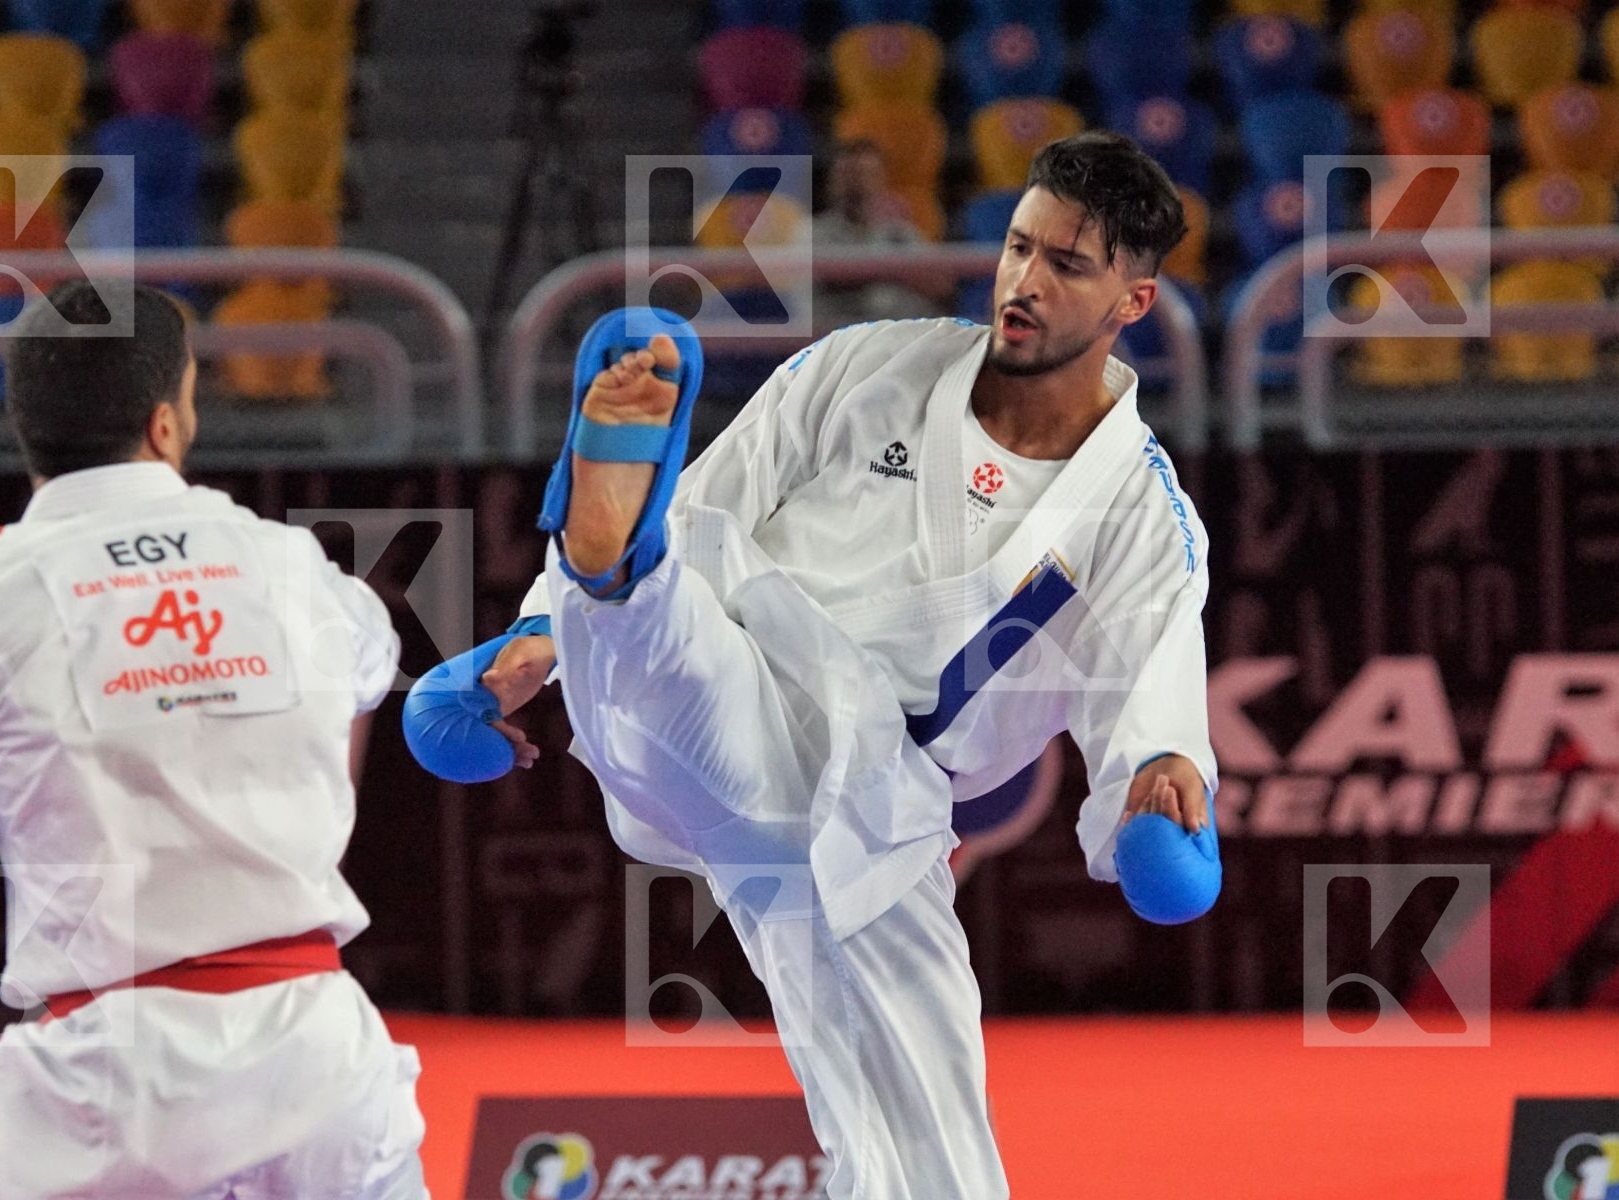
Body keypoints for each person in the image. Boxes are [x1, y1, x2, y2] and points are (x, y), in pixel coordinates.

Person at [480, 132, 1220, 1198]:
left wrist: (1160, 778)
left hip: (879, 797)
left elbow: (1153, 688)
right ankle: (603, 561)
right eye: (1019, 246)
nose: (1024, 280)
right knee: (671, 611)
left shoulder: (1137, 513)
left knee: (936, 1156)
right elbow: (708, 505)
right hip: (739, 665)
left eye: (1067, 264)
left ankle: (608, 578)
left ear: (1131, 302)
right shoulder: (872, 363)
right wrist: (529, 648)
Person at [0, 282, 426, 1199]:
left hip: (115, 1082)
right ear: (166, 421)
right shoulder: (298, 567)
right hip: (327, 1067)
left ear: (26, 429)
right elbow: (373, 668)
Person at [810, 138, 942, 325]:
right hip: (840, 337)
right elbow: (831, 279)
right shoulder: (815, 231)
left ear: (881, 179)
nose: (857, 184)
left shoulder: (900, 231)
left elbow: (938, 284)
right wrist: (895, 272)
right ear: (832, 182)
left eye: (865, 174)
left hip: (899, 337)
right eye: (848, 174)